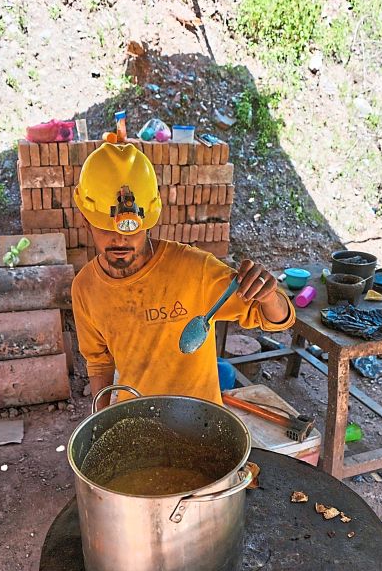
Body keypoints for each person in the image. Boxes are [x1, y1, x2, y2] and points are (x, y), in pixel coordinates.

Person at [70, 138, 295, 409]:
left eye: (133, 230)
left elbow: (277, 320)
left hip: (201, 421)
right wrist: (100, 422)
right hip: (137, 419)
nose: (120, 240)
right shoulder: (85, 288)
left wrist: (269, 296)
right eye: (107, 228)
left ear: (149, 221)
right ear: (85, 219)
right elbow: (99, 362)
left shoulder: (193, 270)